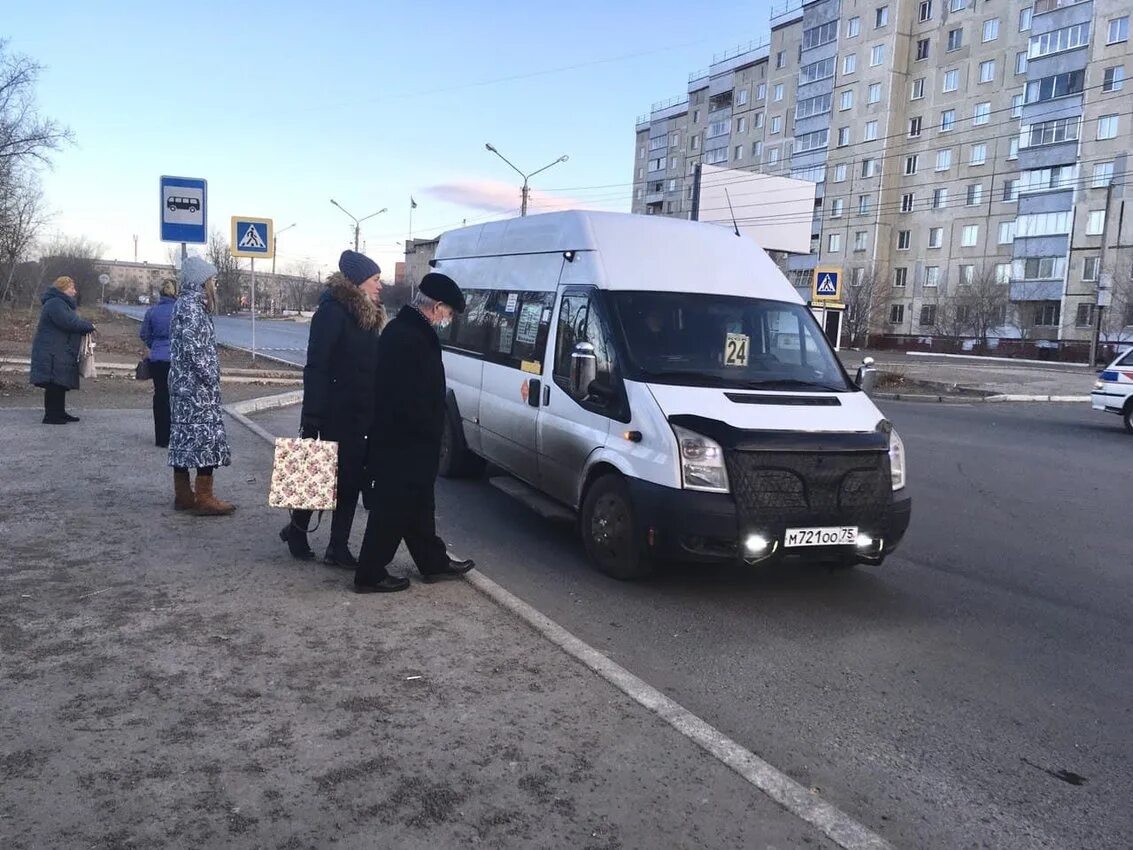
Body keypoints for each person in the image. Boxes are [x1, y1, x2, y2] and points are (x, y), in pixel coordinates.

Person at [353, 272, 476, 593]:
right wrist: (423, 431)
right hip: (403, 440)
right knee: (393, 507)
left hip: (411, 439)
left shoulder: (410, 331)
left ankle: (432, 561)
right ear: (436, 307)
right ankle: (370, 573)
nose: (448, 319)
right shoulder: (408, 336)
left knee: (420, 504)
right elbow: (404, 395)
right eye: (448, 313)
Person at [280, 250, 385, 565]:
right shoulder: (332, 312)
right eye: (375, 279)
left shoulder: (367, 314)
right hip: (336, 412)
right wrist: (311, 416)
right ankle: (322, 541)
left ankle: (311, 535)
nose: (380, 286)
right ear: (357, 282)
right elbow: (317, 367)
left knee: (347, 477)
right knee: (321, 471)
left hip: (361, 411)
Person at [167, 256, 235, 516]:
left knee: (185, 439)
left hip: (184, 386)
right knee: (204, 441)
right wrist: (211, 376)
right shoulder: (193, 308)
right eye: (212, 279)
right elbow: (195, 350)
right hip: (196, 390)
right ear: (201, 281)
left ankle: (184, 495)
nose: (214, 284)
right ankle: (204, 498)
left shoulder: (184, 305)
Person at [29, 276, 96, 425]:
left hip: (58, 349)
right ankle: (51, 416)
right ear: (63, 289)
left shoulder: (59, 303)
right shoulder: (55, 303)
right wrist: (89, 326)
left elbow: (69, 321)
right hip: (52, 350)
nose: (75, 291)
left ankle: (59, 412)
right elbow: (68, 322)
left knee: (59, 382)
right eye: (71, 288)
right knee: (53, 383)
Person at [139, 279, 177, 447]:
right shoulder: (179, 311)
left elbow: (144, 334)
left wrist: (154, 345)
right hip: (176, 359)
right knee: (175, 397)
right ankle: (176, 436)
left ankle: (161, 438)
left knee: (160, 396)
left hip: (158, 358)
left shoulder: (152, 311)